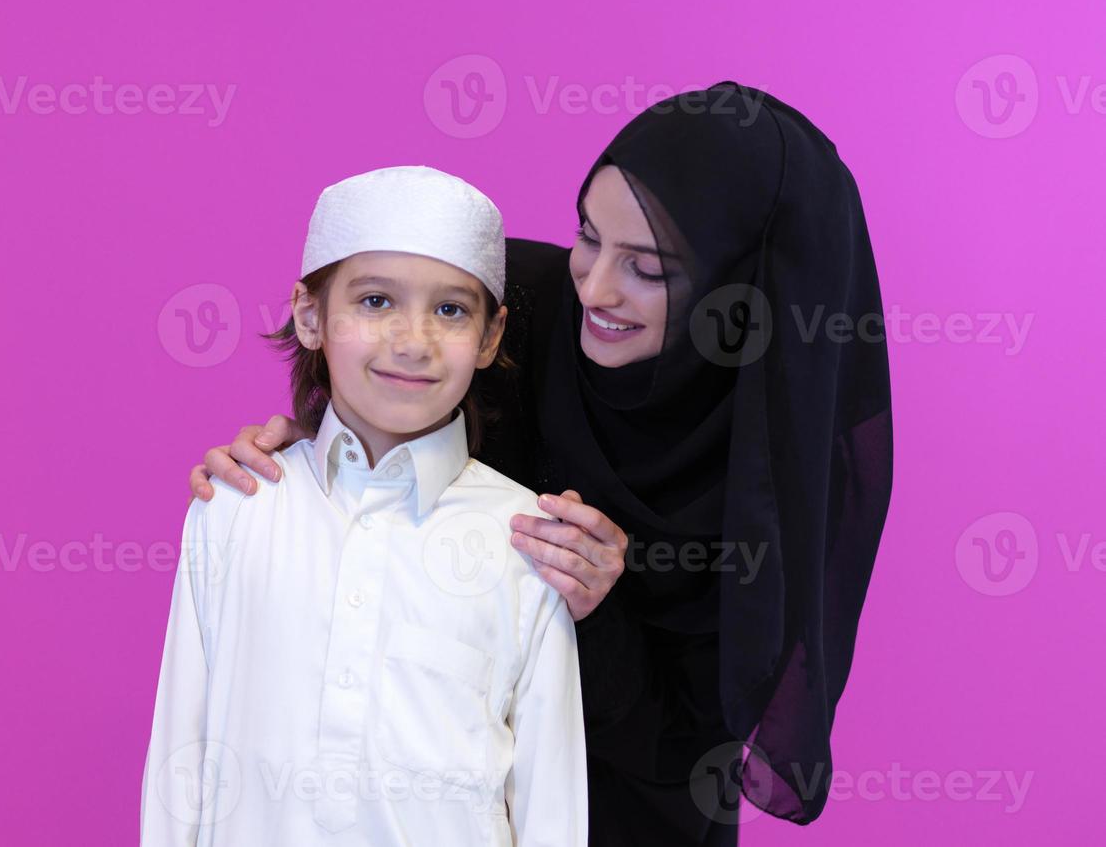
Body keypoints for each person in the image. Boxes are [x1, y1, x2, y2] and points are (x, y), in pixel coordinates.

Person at [189, 83, 894, 845]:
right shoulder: (515, 307)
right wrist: (305, 449)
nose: (593, 287)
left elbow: (693, 738)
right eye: (588, 236)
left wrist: (600, 608)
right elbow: (376, 377)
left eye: (648, 270)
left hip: (635, 811)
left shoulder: (777, 458)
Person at [141, 165, 588, 846]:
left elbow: (549, 802)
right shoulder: (238, 506)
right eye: (376, 301)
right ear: (310, 314)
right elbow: (182, 752)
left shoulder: (525, 537)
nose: (413, 341)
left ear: (490, 337)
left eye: (450, 310)